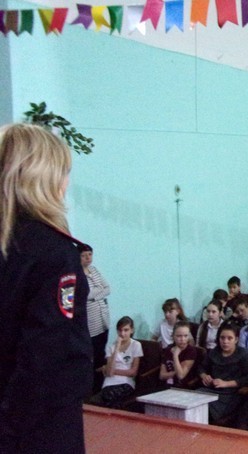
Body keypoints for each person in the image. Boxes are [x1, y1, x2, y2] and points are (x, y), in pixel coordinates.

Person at [0, 124, 92, 453]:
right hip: (39, 425)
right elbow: (43, 357)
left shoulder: (10, 242)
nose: (66, 184)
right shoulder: (53, 251)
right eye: (63, 173)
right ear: (44, 178)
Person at [198, 323, 248, 425]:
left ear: (236, 340)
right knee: (194, 401)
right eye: (222, 338)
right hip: (212, 388)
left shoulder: (244, 355)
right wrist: (204, 376)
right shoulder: (214, 352)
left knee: (207, 410)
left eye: (229, 338)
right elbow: (201, 367)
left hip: (231, 393)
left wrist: (226, 383)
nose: (225, 341)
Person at [78, 243, 111, 393]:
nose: (88, 258)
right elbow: (85, 295)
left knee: (101, 354)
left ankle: (100, 386)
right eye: (84, 256)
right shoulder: (78, 274)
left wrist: (95, 295)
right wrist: (98, 293)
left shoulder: (94, 270)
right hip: (91, 323)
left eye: (90, 254)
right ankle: (90, 389)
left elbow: (107, 288)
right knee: (92, 355)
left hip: (103, 319)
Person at [95, 316, 143, 408]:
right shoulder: (111, 347)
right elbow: (109, 373)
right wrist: (117, 347)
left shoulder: (136, 345)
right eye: (120, 330)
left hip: (126, 382)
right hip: (109, 382)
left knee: (111, 397)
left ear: (132, 330)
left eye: (126, 330)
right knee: (108, 396)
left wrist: (110, 370)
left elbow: (133, 372)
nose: (122, 333)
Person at [160, 320, 198, 389]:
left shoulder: (191, 351)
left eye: (185, 336)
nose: (182, 339)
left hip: (182, 387)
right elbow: (161, 375)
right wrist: (175, 373)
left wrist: (175, 355)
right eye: (179, 336)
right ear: (173, 336)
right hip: (166, 386)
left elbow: (180, 376)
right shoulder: (168, 349)